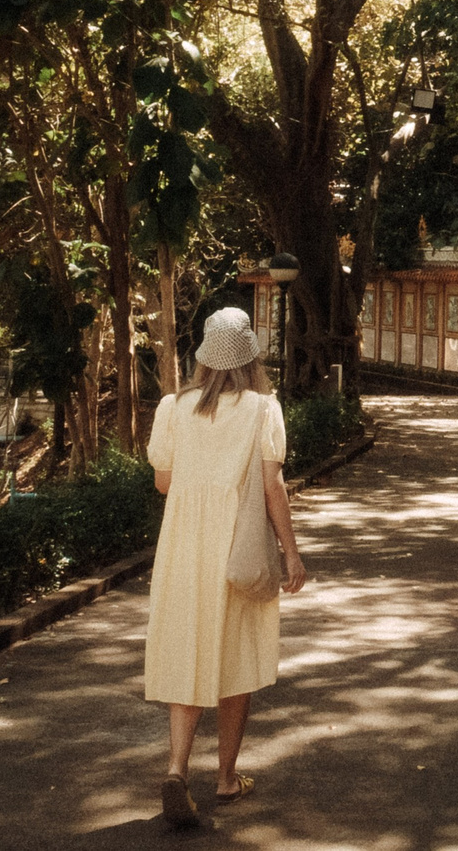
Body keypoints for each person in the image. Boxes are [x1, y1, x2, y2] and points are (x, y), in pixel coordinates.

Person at [143, 307, 306, 828]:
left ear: (204, 358)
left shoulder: (173, 407)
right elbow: (272, 486)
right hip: (238, 545)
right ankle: (226, 778)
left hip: (182, 548)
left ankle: (176, 768)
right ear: (250, 358)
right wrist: (291, 552)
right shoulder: (263, 409)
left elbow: (163, 482)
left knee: (187, 650)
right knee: (237, 655)